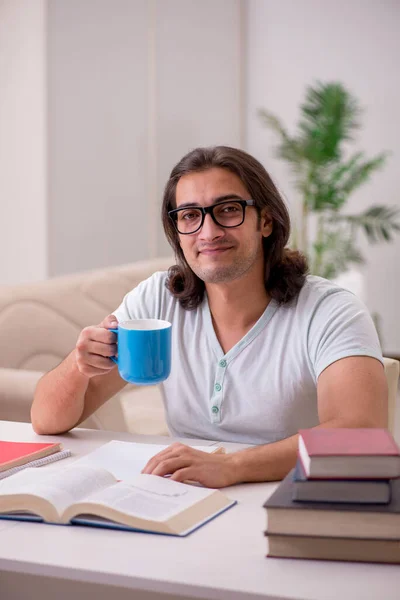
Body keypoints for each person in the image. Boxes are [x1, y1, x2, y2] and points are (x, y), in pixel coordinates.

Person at [31, 146, 388, 488]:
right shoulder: (159, 298)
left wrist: (232, 467)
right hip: (184, 496)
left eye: (228, 209)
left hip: (290, 501)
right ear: (177, 232)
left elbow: (360, 433)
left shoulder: (329, 310)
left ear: (265, 221)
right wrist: (79, 366)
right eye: (189, 215)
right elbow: (46, 420)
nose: (209, 231)